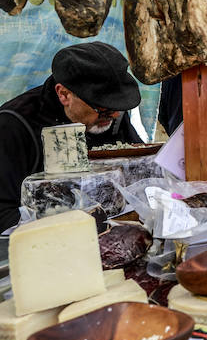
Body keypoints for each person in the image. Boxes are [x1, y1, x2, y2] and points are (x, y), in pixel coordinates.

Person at [0, 42, 143, 231]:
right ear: (64, 94)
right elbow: (3, 214)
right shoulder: (14, 126)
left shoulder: (111, 116)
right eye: (103, 109)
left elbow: (140, 175)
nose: (115, 115)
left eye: (118, 107)